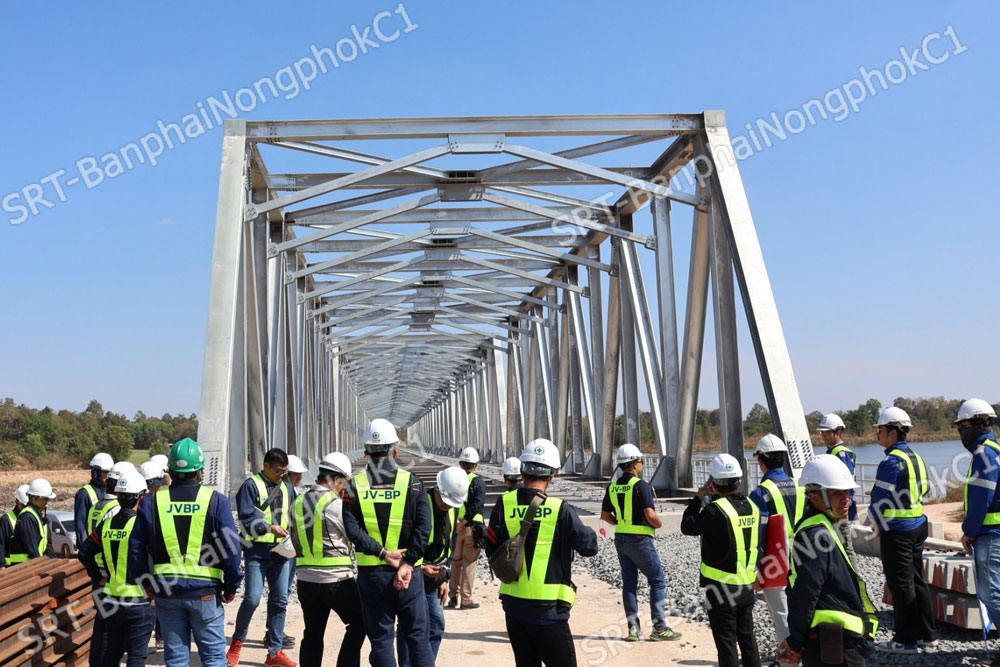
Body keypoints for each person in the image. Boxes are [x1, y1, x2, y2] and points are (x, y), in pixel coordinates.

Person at [484, 439, 598, 667]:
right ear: (552, 475)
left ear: (522, 471)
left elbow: (491, 548)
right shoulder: (560, 509)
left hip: (514, 606)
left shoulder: (504, 504)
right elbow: (589, 547)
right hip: (548, 610)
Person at [132, 437, 243, 667]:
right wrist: (231, 585)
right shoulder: (216, 501)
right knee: (214, 658)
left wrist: (146, 584)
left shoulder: (152, 502)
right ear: (200, 470)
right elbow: (232, 548)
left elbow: (136, 549)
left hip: (167, 593)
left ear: (170, 471)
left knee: (176, 659)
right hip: (205, 593)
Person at [342, 418, 434, 667]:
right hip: (409, 575)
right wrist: (408, 563)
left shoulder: (354, 486)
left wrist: (382, 553)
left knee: (381, 640)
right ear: (395, 450)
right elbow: (424, 528)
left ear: (366, 452)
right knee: (418, 638)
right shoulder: (413, 483)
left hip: (373, 575)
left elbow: (352, 530)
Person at [776, 455, 878, 666]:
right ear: (814, 498)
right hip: (833, 643)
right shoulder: (816, 534)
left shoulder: (824, 526)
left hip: (839, 642)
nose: (846, 499)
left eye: (847, 492)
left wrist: (795, 641)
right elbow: (807, 591)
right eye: (836, 493)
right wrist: (796, 641)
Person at [681, 453, 763, 667]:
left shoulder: (713, 511)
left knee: (727, 644)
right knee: (748, 639)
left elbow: (688, 526)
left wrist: (698, 499)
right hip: (746, 585)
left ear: (713, 483)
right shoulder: (752, 507)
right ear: (740, 481)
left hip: (721, 589)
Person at [868, 406, 935, 654]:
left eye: (880, 430)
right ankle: (927, 635)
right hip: (917, 525)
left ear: (893, 432)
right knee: (917, 580)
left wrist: (875, 522)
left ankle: (905, 640)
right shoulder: (916, 458)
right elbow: (925, 490)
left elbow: (880, 498)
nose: (877, 434)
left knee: (901, 585)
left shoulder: (892, 461)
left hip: (897, 530)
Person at [290, 452, 365, 667]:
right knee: (359, 622)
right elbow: (354, 535)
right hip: (336, 580)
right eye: (345, 482)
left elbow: (294, 538)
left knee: (313, 633)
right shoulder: (335, 504)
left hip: (305, 581)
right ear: (337, 478)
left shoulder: (297, 503)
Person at [600, 443, 680, 642]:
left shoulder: (612, 487)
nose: (642, 464)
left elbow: (605, 515)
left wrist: (621, 523)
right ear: (635, 464)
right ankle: (659, 627)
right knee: (657, 581)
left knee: (629, 584)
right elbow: (650, 515)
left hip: (621, 538)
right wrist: (659, 524)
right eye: (641, 461)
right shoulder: (641, 486)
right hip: (640, 539)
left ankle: (633, 630)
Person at [228, 447, 297, 667]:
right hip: (257, 552)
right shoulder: (251, 486)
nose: (281, 475)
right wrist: (269, 528)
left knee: (280, 600)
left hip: (281, 553)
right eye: (278, 470)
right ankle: (237, 643)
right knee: (252, 598)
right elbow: (246, 520)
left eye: (284, 471)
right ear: (265, 465)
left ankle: (274, 651)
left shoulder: (288, 488)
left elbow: (295, 515)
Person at [79, 470, 155, 667]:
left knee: (112, 654)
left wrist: (98, 576)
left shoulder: (106, 525)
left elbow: (84, 552)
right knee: (136, 657)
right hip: (139, 602)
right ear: (140, 497)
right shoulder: (142, 526)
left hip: (112, 600)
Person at [398, 466, 469, 666]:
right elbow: (404, 544)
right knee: (409, 625)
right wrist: (420, 568)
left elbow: (450, 545)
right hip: (414, 574)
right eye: (445, 501)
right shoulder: (418, 505)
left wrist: (444, 578)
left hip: (434, 578)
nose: (447, 506)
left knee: (436, 624)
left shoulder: (453, 509)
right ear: (438, 489)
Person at [747, 434, 803, 654]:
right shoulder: (800, 487)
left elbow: (758, 535)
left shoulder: (761, 493)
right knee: (803, 608)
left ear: (761, 461)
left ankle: (789, 660)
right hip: (804, 555)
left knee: (781, 613)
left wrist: (757, 569)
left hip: (776, 560)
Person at [955, 399, 1000, 651]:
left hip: (991, 534)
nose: (961, 433)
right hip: (993, 533)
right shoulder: (994, 449)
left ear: (978, 424)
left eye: (962, 427)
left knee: (991, 594)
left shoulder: (984, 454)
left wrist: (969, 532)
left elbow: (982, 498)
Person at [266, 453, 309, 652]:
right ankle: (274, 634)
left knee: (282, 593)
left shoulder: (291, 492)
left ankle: (274, 632)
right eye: (296, 475)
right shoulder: (282, 493)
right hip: (282, 548)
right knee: (280, 594)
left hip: (289, 548)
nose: (300, 478)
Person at [448, 446, 486, 610]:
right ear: (476, 465)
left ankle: (452, 596)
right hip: (472, 528)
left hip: (456, 527)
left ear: (460, 463)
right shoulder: (477, 481)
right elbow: (477, 505)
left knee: (456, 562)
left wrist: (458, 523)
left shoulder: (453, 480)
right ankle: (466, 600)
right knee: (469, 564)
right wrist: (465, 521)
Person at [817, 414, 857, 521]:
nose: (823, 435)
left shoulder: (841, 453)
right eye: (822, 432)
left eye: (827, 432)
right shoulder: (833, 452)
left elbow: (847, 482)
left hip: (843, 506)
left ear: (838, 432)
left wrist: (846, 506)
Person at [8, 478, 57, 563]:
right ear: (35, 498)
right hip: (24, 566)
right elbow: (32, 550)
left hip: (32, 565)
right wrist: (40, 565)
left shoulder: (36, 515)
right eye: (45, 499)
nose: (47, 502)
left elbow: (47, 545)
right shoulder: (27, 517)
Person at [75, 452, 113, 550]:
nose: (108, 476)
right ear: (96, 473)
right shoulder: (84, 493)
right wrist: (84, 550)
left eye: (110, 473)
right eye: (105, 472)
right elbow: (80, 525)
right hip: (92, 547)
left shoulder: (111, 491)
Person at [0, 484, 28, 567]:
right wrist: (1, 564)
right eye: (23, 505)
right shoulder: (6, 519)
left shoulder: (32, 517)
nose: (26, 508)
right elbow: (1, 543)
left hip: (32, 565)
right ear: (17, 501)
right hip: (12, 567)